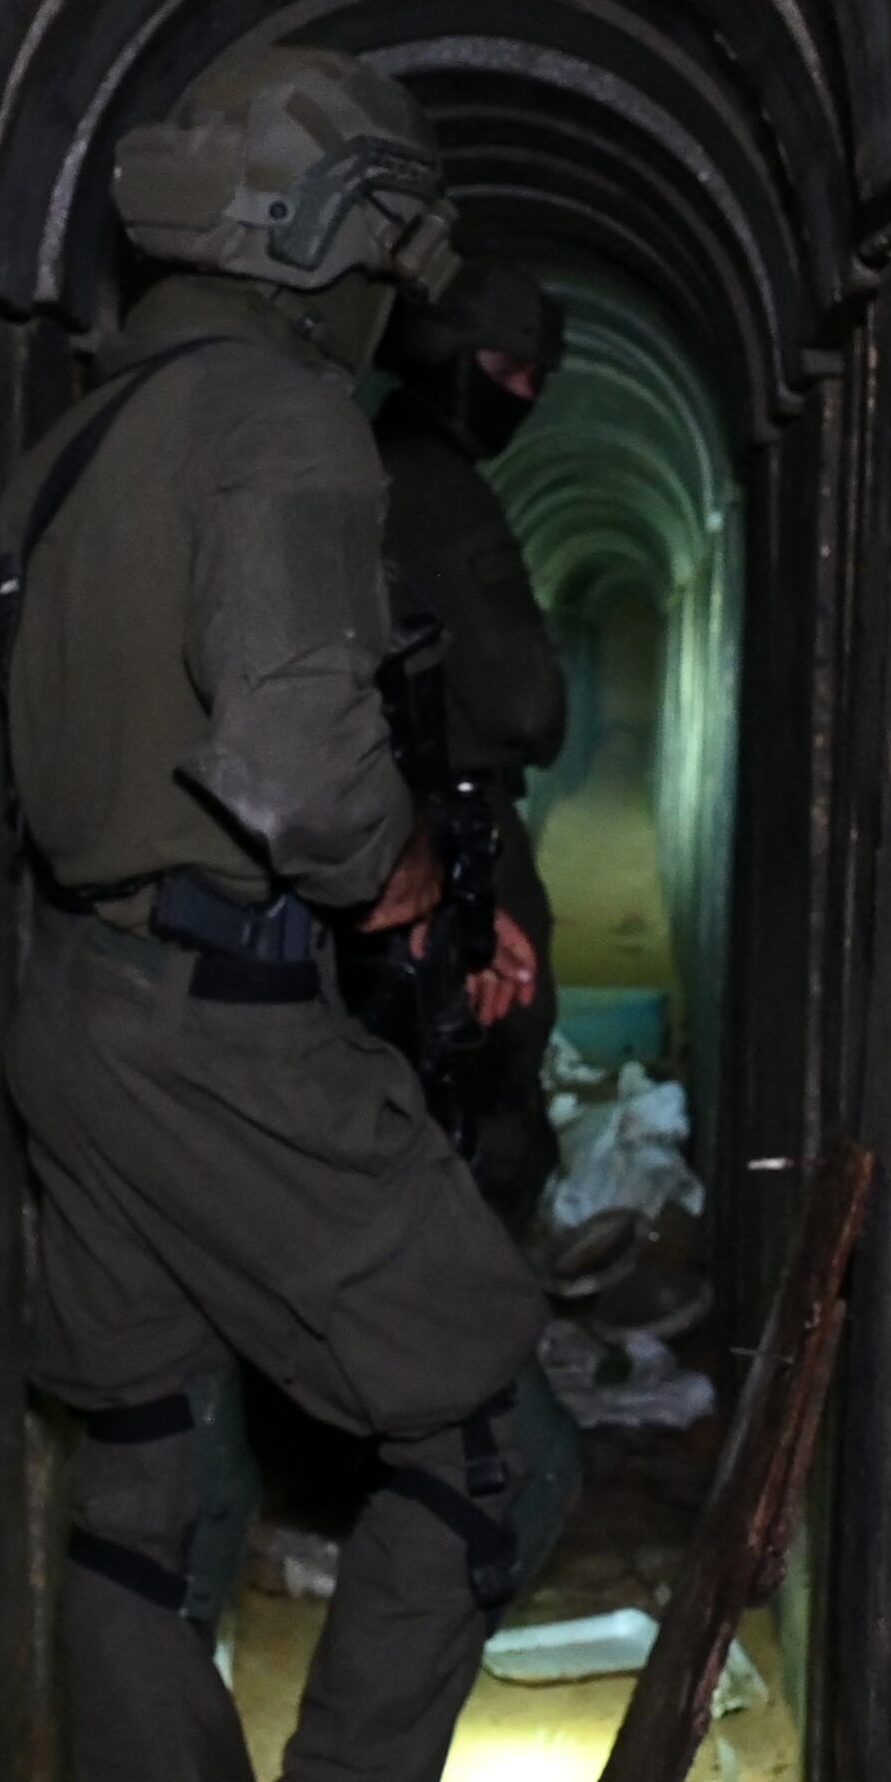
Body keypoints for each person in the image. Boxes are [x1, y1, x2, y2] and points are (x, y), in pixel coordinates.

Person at [0, 44, 581, 1782]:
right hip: (221, 1034)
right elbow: (305, 766)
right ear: (328, 243)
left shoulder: (92, 426)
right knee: (497, 1443)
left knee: (147, 1454)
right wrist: (414, 896)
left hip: (78, 1006)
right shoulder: (284, 427)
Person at [369, 261, 573, 1235]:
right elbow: (525, 700)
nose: (523, 396)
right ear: (447, 363)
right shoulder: (437, 490)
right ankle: (475, 1326)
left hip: (392, 814)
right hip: (453, 819)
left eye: (537, 377)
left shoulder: (370, 463)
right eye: (506, 368)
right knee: (495, 1058)